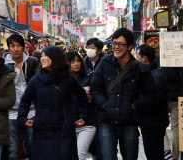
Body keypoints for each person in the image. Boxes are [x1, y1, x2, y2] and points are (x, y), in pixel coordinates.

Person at [90, 28, 156, 160]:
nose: (116, 47)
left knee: (131, 156)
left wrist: (133, 107)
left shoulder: (141, 68)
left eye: (120, 44)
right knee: (107, 156)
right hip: (107, 120)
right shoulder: (104, 64)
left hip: (129, 121)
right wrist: (104, 105)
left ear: (130, 46)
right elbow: (95, 88)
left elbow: (150, 95)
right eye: (114, 43)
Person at [18, 46, 89, 160]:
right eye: (41, 56)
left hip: (65, 131)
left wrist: (83, 115)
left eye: (46, 56)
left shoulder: (69, 79)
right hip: (42, 131)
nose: (42, 59)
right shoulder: (36, 80)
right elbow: (25, 101)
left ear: (55, 58)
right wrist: (23, 118)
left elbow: (82, 97)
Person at [3, 34, 39, 160]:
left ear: (24, 47)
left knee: (33, 148)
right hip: (11, 113)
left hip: (31, 112)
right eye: (12, 46)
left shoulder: (33, 62)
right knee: (12, 152)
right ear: (8, 48)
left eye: (18, 45)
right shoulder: (3, 65)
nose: (16, 49)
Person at [136, 44, 169, 160]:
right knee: (155, 153)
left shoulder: (153, 75)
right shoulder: (156, 72)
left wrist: (137, 105)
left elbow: (154, 101)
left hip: (152, 122)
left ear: (144, 58)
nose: (136, 59)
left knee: (153, 154)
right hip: (154, 122)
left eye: (138, 56)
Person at [66, 51, 97, 160]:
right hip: (69, 124)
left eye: (78, 61)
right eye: (72, 62)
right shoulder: (62, 80)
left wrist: (92, 95)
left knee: (80, 154)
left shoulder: (89, 77)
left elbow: (97, 95)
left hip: (87, 123)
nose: (76, 64)